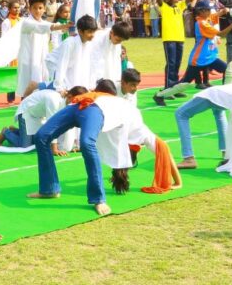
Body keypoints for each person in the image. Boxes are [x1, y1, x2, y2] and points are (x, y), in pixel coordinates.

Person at [28, 81, 145, 214]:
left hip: (93, 110)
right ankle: (49, 189)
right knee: (41, 136)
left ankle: (98, 199)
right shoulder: (122, 105)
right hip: (78, 104)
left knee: (87, 143)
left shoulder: (126, 108)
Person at [165, 0, 232, 100]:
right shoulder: (202, 23)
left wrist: (223, 11)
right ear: (201, 11)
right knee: (184, 83)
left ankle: (224, 95)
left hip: (210, 57)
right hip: (199, 59)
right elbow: (221, 34)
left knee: (227, 70)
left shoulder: (206, 18)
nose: (211, 12)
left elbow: (214, 16)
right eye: (208, 10)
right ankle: (161, 95)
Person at [14, 0, 70, 103]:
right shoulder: (27, 22)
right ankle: (23, 109)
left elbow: (58, 29)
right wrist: (61, 26)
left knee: (39, 85)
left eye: (40, 8)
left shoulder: (44, 22)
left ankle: (35, 107)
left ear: (44, 9)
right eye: (34, 8)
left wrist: (70, 25)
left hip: (41, 61)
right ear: (29, 8)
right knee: (28, 86)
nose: (37, 11)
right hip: (28, 61)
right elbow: (43, 28)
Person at [0, 85, 85, 152]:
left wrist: (73, 145)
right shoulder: (54, 101)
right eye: (77, 100)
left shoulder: (67, 102)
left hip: (38, 116)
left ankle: (16, 131)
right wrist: (54, 149)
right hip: (26, 113)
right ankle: (6, 132)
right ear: (69, 96)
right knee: (25, 146)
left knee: (38, 141)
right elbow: (52, 124)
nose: (78, 104)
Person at [156, 0, 193, 94]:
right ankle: (168, 88)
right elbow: (158, 0)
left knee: (177, 63)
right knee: (171, 63)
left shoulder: (180, 6)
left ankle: (175, 88)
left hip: (180, 38)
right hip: (169, 39)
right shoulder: (163, 6)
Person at [52, 15, 99, 92]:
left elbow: (88, 66)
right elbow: (62, 65)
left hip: (72, 72)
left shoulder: (89, 44)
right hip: (56, 71)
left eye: (94, 32)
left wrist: (90, 85)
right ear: (80, 31)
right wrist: (59, 87)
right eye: (90, 32)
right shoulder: (70, 43)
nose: (93, 35)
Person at [89, 21, 132, 86]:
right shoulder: (98, 39)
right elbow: (95, 62)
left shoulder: (116, 38)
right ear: (111, 33)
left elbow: (116, 61)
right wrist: (99, 79)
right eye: (118, 40)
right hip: (93, 74)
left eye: (121, 41)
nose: (119, 42)